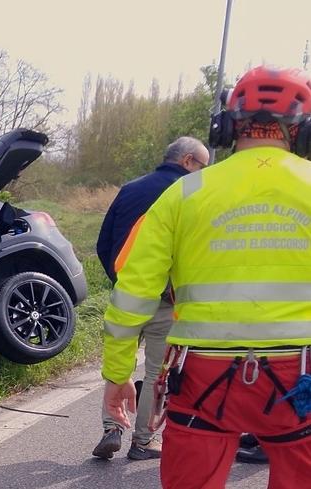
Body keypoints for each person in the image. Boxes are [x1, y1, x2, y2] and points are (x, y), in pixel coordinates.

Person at [101, 66, 311, 489]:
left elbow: (134, 292)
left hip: (201, 375)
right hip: (300, 375)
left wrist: (118, 373)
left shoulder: (182, 194)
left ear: (226, 126)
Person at [93, 136, 209, 460]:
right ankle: (143, 441)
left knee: (120, 364)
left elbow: (104, 243)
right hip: (166, 300)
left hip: (126, 294)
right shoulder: (190, 195)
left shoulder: (131, 188)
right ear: (187, 161)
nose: (204, 174)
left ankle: (111, 428)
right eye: (203, 166)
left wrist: (120, 280)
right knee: (157, 372)